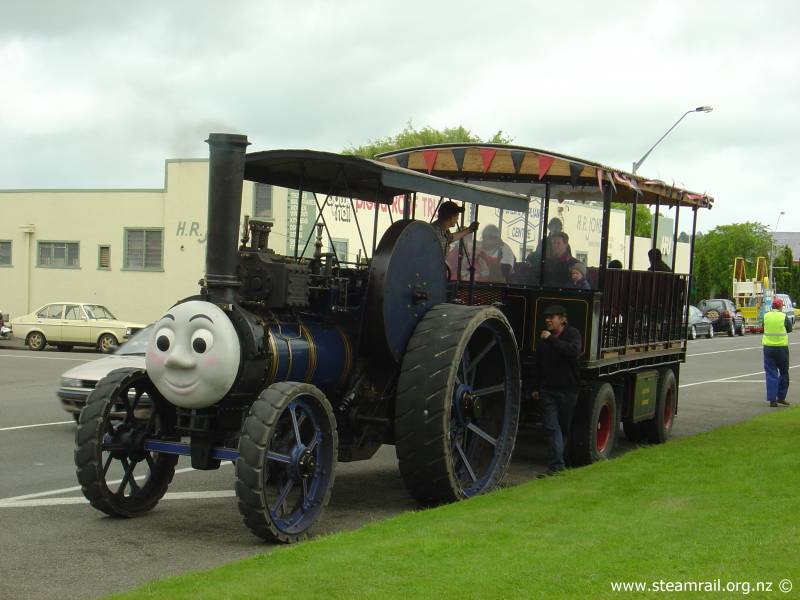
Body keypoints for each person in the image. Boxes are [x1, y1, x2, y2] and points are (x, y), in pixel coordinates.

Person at [532, 304, 583, 476]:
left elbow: (573, 352)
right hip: (548, 390)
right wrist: (535, 387)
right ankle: (556, 467)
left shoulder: (573, 334)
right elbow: (537, 365)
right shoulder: (543, 340)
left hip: (569, 390)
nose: (547, 320)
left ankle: (562, 462)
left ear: (562, 320)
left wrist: (551, 340)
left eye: (551, 317)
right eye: (546, 317)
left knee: (563, 428)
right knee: (552, 428)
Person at [763, 296, 792, 407]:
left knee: (771, 373)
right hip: (781, 348)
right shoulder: (783, 316)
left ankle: (772, 400)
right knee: (784, 372)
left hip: (768, 347)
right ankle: (781, 397)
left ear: (772, 306)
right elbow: (789, 329)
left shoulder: (766, 316)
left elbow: (763, 327)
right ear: (780, 306)